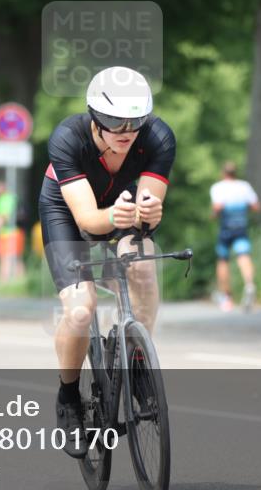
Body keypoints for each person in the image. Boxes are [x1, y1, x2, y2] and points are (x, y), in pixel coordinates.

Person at [38, 66, 175, 458]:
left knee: (144, 270)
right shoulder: (68, 137)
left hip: (122, 207)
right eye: (115, 120)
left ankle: (135, 359)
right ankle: (68, 397)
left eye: (135, 120)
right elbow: (87, 221)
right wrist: (115, 216)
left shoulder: (159, 138)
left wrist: (150, 214)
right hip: (69, 211)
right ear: (94, 116)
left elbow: (147, 209)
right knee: (81, 311)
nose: (125, 129)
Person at [210, 161, 261, 312]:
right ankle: (250, 284)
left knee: (223, 260)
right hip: (241, 227)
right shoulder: (244, 186)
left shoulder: (218, 188)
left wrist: (213, 215)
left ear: (223, 173)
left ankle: (226, 298)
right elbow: (256, 206)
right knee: (243, 256)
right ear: (235, 173)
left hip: (226, 229)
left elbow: (217, 207)